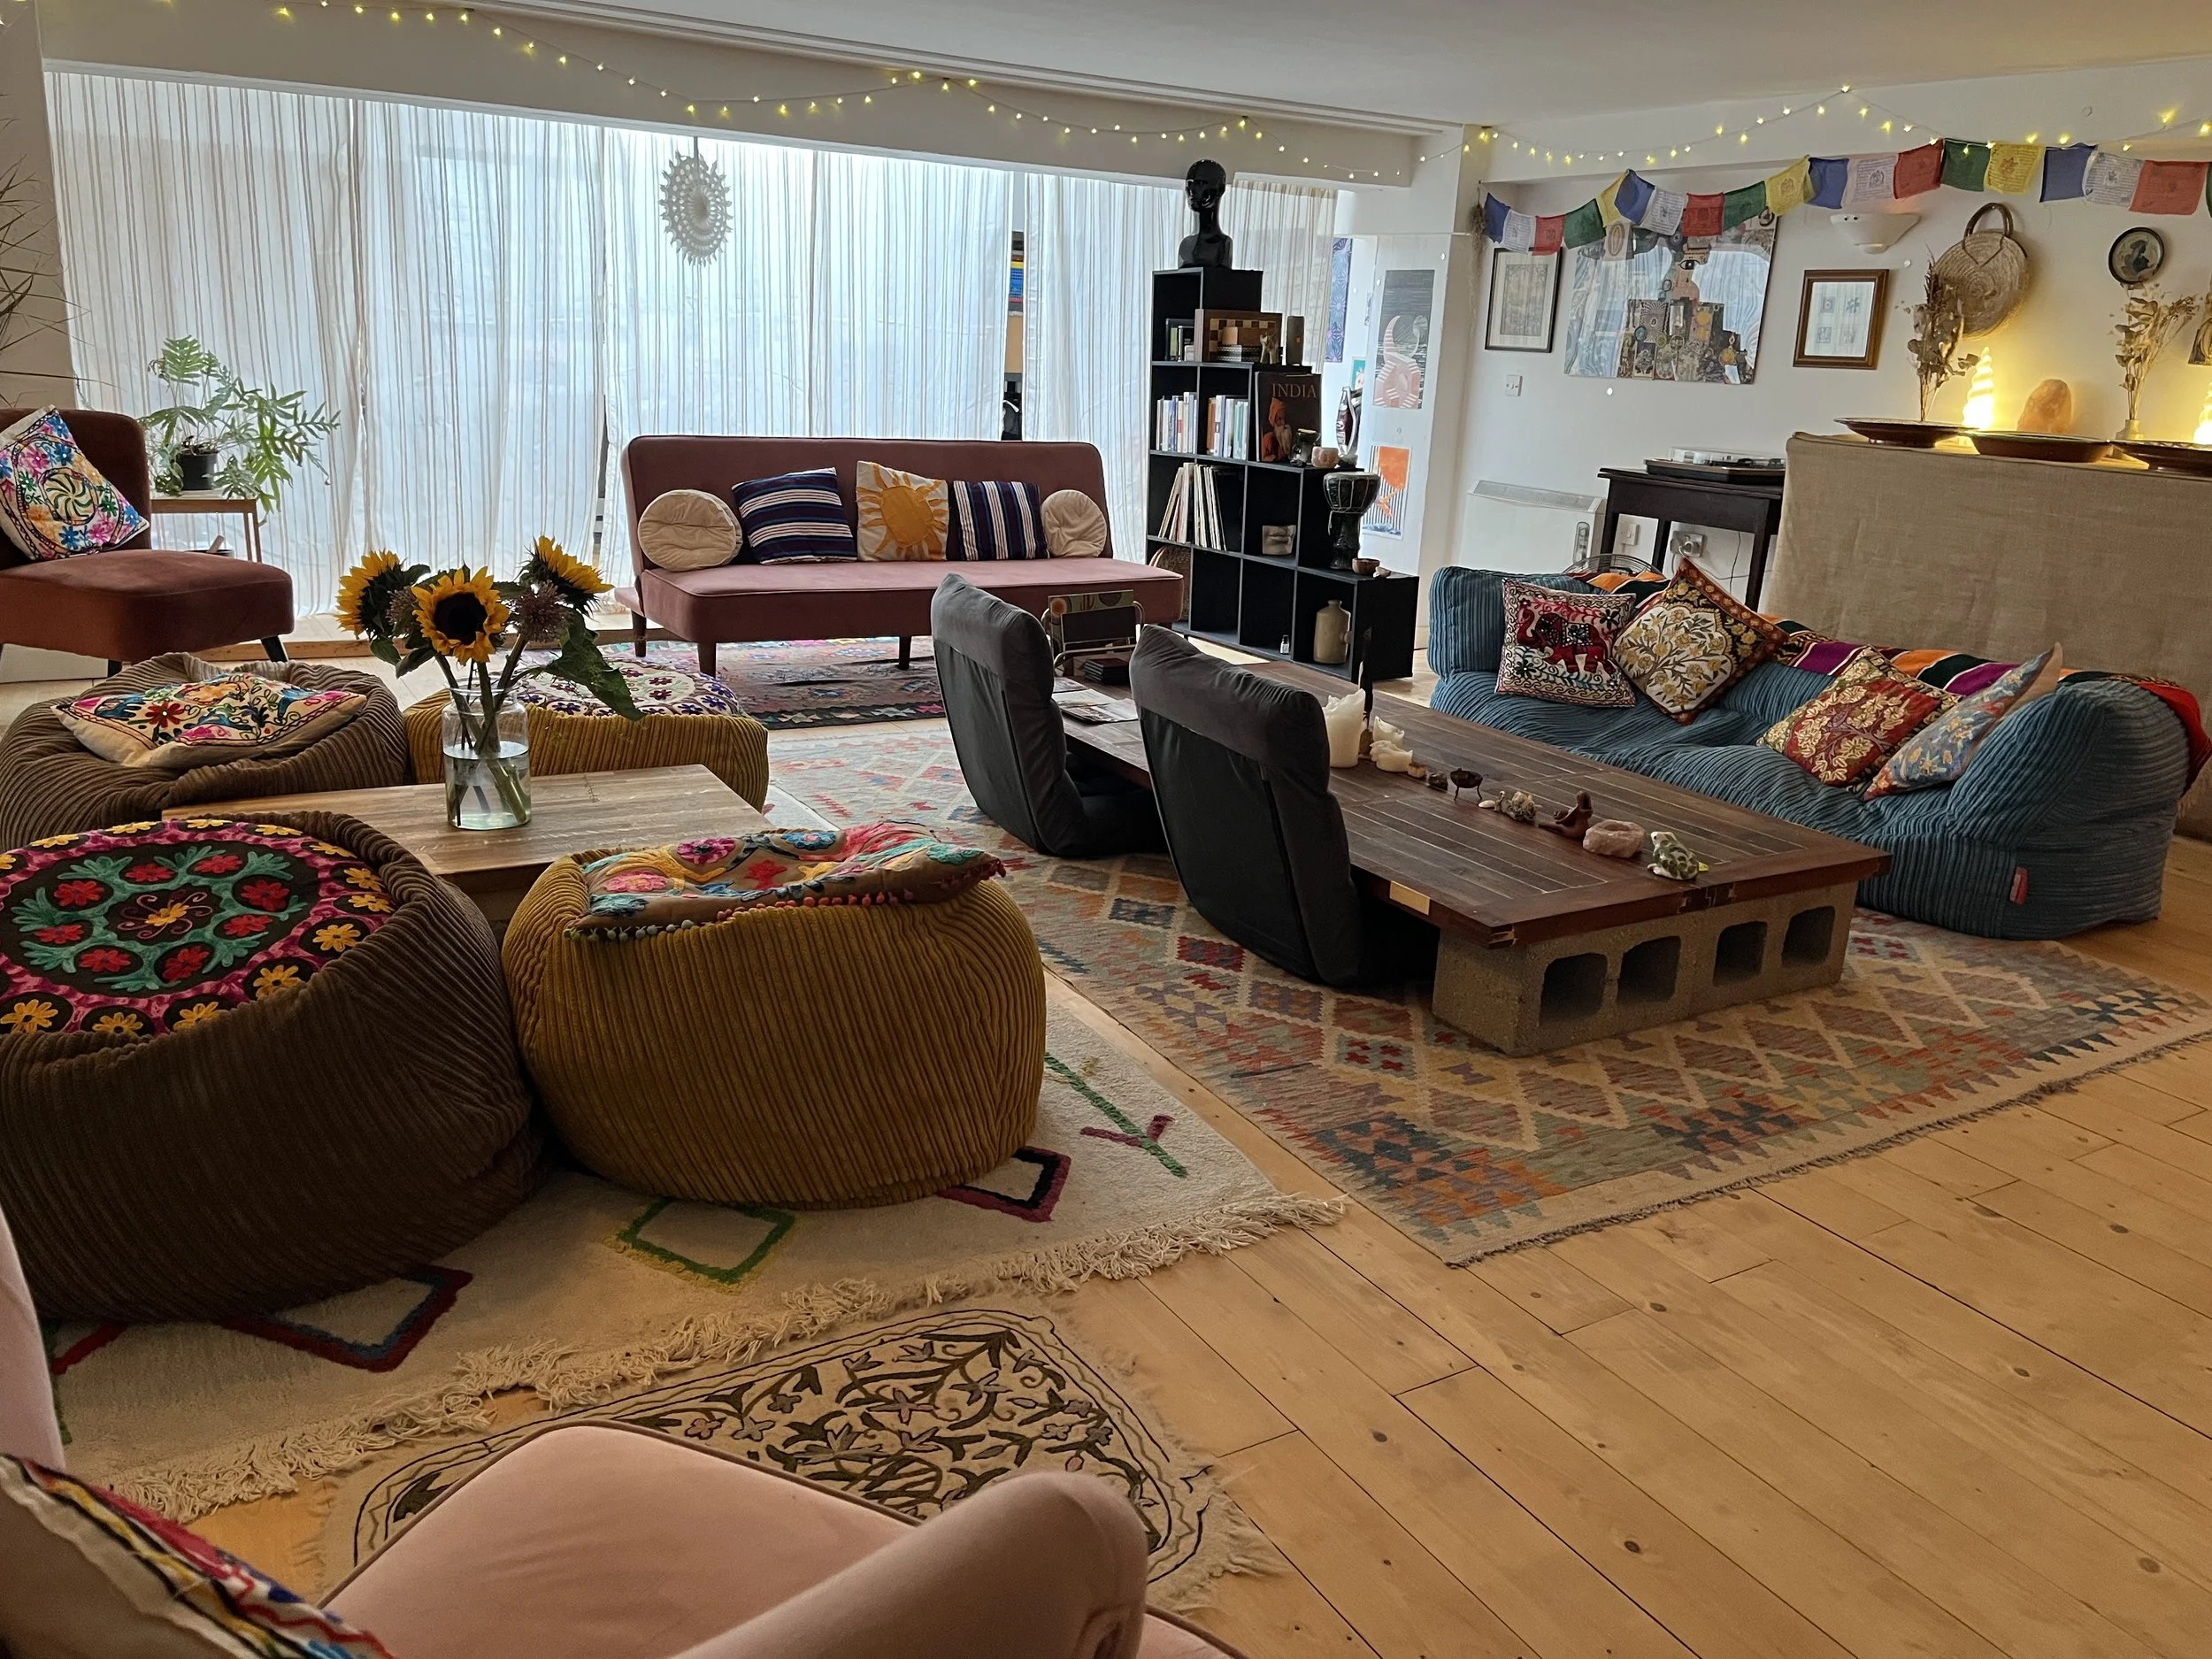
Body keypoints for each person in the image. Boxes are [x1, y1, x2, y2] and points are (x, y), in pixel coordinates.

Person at [1178, 159, 1233, 269]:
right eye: (1190, 184)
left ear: (1220, 189)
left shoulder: (1223, 244)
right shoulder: (1185, 244)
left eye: (1201, 183)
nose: (1192, 190)